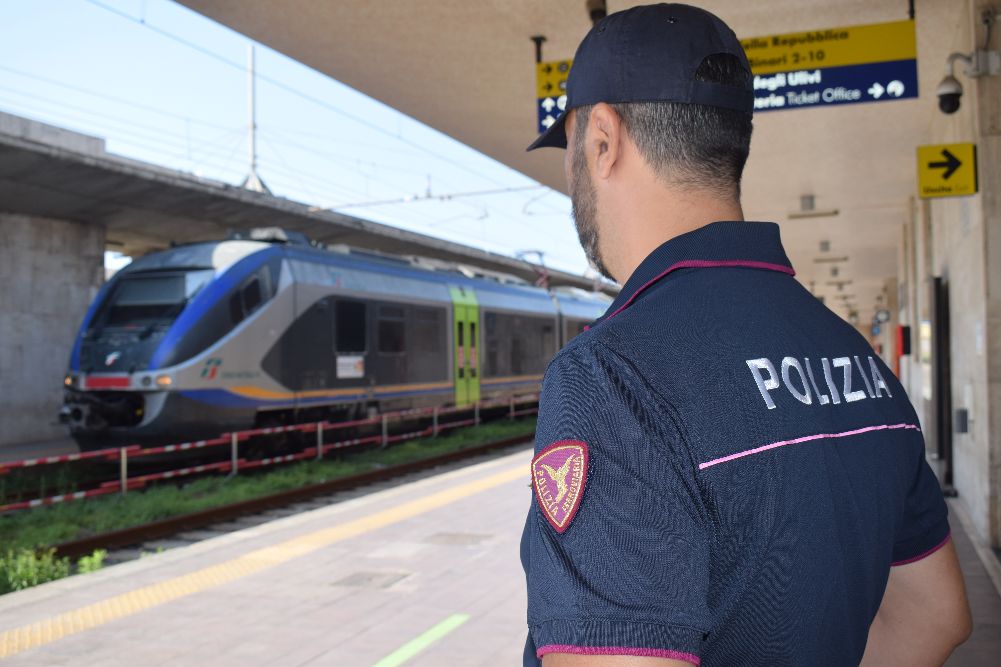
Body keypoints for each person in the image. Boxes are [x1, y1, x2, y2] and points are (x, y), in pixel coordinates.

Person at [519, 4, 972, 666]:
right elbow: (934, 615)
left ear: (603, 140)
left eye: (572, 151)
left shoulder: (612, 375)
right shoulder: (853, 355)